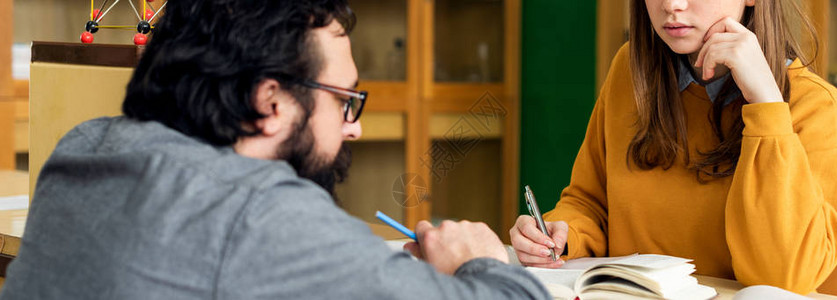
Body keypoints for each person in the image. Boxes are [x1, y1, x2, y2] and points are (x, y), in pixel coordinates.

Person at [0, 1, 548, 299]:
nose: (353, 129)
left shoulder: (83, 148)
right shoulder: (258, 212)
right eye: (344, 101)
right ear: (270, 103)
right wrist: (479, 262)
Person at [510, 0, 837, 294]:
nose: (671, 5)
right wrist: (559, 235)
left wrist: (765, 105)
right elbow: (590, 203)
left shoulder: (817, 107)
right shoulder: (630, 73)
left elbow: (782, 277)